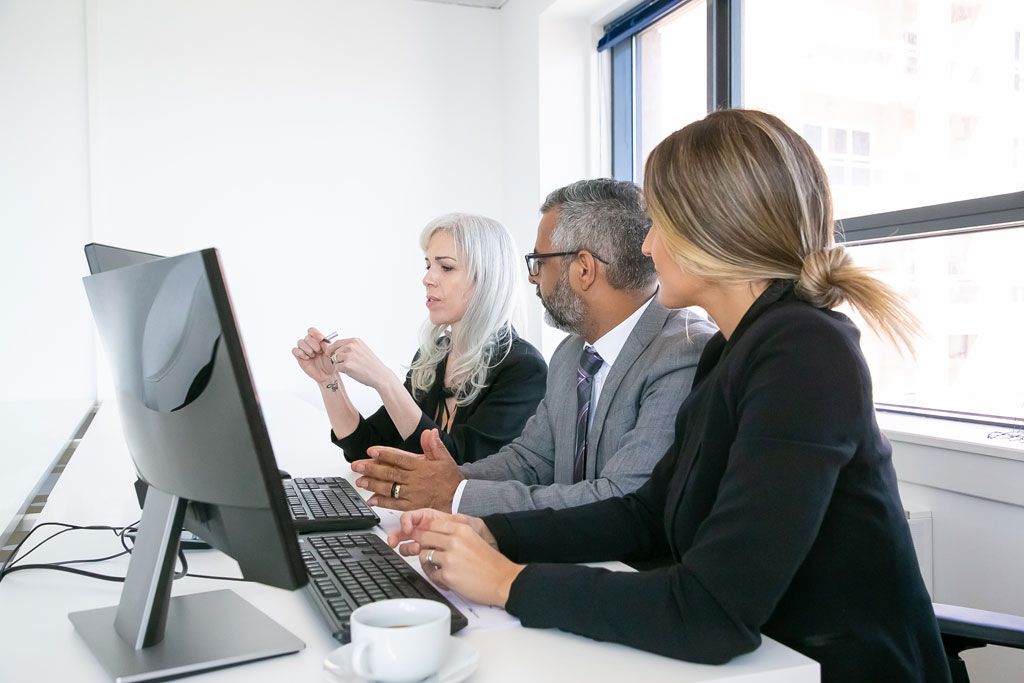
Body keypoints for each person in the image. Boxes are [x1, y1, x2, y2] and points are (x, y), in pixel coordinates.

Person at [386, 111, 951, 682]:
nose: (648, 247)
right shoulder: (730, 351)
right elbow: (646, 514)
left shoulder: (804, 352)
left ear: (716, 230)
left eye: (660, 225)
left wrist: (509, 582)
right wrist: (492, 532)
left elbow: (709, 613)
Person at [351, 179, 716, 515]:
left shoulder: (682, 352)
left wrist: (456, 493)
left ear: (584, 269)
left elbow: (619, 497)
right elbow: (529, 459)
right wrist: (451, 478)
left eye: (539, 261)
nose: (531, 276)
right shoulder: (571, 353)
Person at [291, 213, 546, 465]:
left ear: (488, 279)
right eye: (428, 266)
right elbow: (365, 447)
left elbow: (455, 467)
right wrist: (328, 381)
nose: (427, 279)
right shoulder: (434, 357)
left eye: (445, 267)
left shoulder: (524, 369)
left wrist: (385, 381)